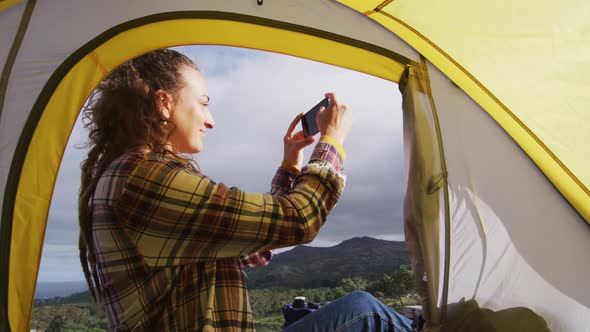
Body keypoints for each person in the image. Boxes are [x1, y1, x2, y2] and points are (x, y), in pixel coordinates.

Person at [78, 48, 412, 331]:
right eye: (203, 103)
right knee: (364, 311)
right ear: (164, 104)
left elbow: (249, 247)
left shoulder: (130, 175)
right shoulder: (146, 180)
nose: (211, 121)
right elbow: (299, 220)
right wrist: (333, 142)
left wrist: (290, 163)